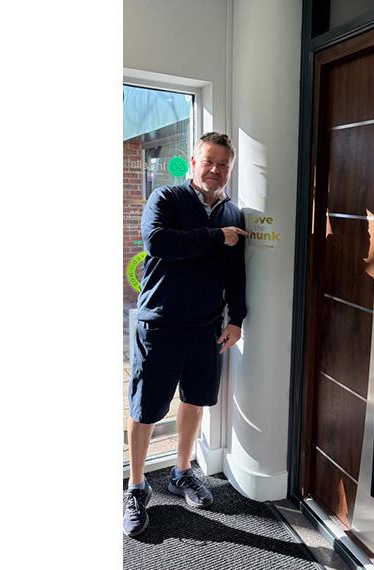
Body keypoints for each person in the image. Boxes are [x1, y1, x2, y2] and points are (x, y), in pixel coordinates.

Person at [123, 132, 248, 537]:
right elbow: (157, 242)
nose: (215, 170)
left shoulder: (233, 213)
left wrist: (236, 319)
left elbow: (236, 273)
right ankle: (136, 486)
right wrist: (216, 236)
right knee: (146, 408)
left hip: (206, 327)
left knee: (195, 402)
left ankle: (181, 473)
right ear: (193, 163)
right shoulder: (166, 198)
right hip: (159, 324)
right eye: (208, 161)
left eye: (223, 164)